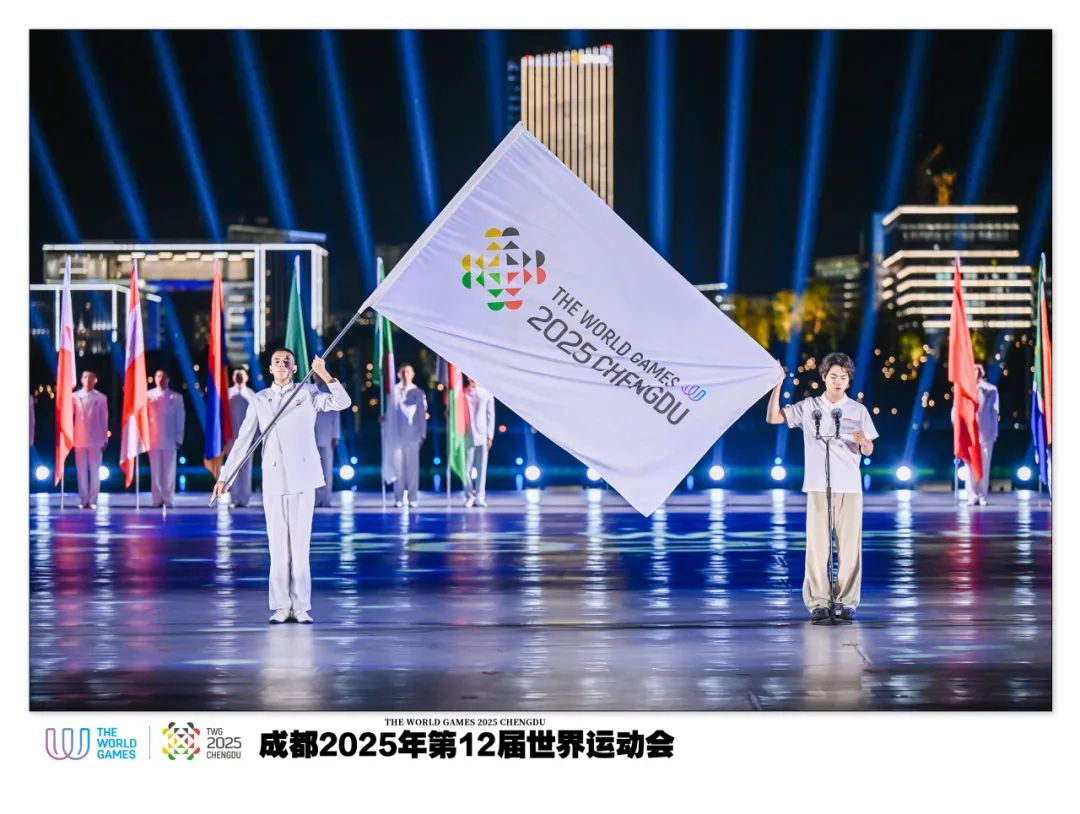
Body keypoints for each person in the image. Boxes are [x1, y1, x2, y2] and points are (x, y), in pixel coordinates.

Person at [212, 349, 351, 624]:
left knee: (300, 546)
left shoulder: (308, 392)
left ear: (295, 368)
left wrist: (323, 373)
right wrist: (225, 476)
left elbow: (342, 402)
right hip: (274, 478)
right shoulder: (260, 399)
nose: (281, 364)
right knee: (277, 547)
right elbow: (243, 440)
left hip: (303, 477)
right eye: (276, 361)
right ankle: (280, 606)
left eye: (287, 361)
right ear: (270, 368)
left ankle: (301, 606)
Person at [766, 352, 878, 623]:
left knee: (849, 549)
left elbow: (869, 448)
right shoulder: (809, 407)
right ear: (824, 378)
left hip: (849, 488)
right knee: (817, 548)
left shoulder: (858, 410)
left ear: (849, 381)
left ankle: (846, 602)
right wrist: (777, 384)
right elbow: (773, 418)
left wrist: (864, 442)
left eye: (843, 377)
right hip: (818, 486)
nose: (838, 381)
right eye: (833, 376)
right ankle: (818, 602)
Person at [388, 364, 427, 508]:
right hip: (397, 435)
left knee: (412, 468)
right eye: (403, 372)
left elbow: (422, 414)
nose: (405, 374)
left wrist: (422, 434)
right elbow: (390, 411)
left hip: (413, 435)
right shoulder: (393, 391)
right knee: (398, 467)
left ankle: (412, 498)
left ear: (413, 374)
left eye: (408, 372)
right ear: (399, 374)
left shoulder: (418, 392)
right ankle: (398, 498)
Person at [147, 370, 186, 508]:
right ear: (154, 378)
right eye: (158, 376)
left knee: (169, 472)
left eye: (163, 377)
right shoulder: (148, 396)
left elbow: (180, 418)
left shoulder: (176, 397)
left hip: (170, 439)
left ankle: (168, 499)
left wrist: (179, 437)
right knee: (155, 472)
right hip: (152, 439)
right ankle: (156, 500)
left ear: (168, 379)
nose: (161, 379)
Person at [72, 370, 108, 509]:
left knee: (95, 471)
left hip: (96, 439)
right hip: (79, 438)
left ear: (95, 380)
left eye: (91, 377)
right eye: (85, 377)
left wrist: (105, 439)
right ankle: (83, 499)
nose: (88, 380)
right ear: (81, 379)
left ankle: (93, 500)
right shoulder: (74, 397)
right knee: (81, 471)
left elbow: (104, 419)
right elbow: (69, 417)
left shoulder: (101, 398)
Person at [462, 375, 495, 508]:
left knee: (481, 468)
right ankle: (469, 496)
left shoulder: (486, 392)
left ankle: (480, 497)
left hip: (482, 434)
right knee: (466, 468)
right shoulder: (462, 393)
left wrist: (490, 436)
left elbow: (490, 415)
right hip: (466, 434)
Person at [970, 364, 1000, 506]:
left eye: (976, 372)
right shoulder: (964, 389)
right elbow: (956, 410)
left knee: (984, 464)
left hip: (985, 432)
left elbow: (994, 412)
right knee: (970, 465)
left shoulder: (990, 389)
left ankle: (982, 495)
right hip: (970, 432)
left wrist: (995, 431)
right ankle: (972, 495)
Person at [227, 368, 257, 507]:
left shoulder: (252, 395)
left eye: (241, 374)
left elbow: (257, 417)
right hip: (231, 437)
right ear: (233, 377)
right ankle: (234, 498)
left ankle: (244, 499)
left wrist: (256, 437)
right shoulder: (227, 394)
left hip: (247, 438)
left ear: (246, 377)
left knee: (246, 469)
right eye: (236, 374)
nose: (239, 377)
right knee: (232, 468)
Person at [314, 394, 340, 508]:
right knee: (314, 472)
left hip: (327, 438)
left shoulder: (330, 394)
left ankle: (326, 499)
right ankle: (316, 499)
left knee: (327, 471)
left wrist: (335, 436)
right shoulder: (311, 392)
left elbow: (336, 416)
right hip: (312, 438)